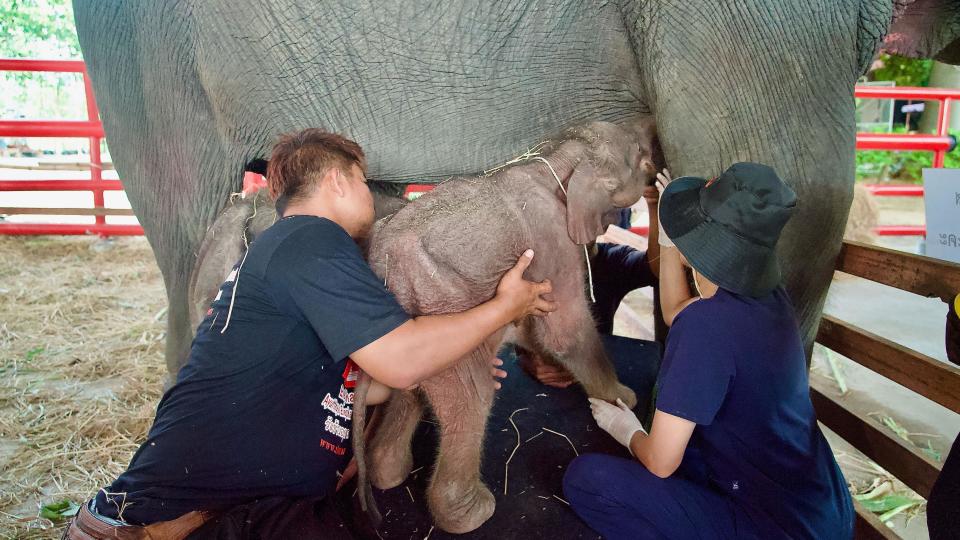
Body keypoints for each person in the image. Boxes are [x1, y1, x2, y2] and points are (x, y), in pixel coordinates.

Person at [64, 129, 556, 539]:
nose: (370, 197)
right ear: (339, 181)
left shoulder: (294, 254)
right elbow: (401, 360)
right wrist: (503, 308)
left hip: (247, 513)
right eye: (365, 183)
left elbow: (378, 382)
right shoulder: (311, 239)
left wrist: (455, 361)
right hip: (160, 526)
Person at [563, 163, 854, 539]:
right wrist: (670, 242)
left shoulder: (705, 327)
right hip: (824, 511)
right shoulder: (768, 295)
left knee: (588, 480)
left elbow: (661, 463)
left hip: (776, 527)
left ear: (698, 246)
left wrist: (629, 432)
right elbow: (675, 312)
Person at [518, 183, 661, 388]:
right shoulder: (531, 266)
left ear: (605, 224)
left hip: (595, 382)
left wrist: (654, 206)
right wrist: (528, 363)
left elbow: (655, 268)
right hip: (535, 389)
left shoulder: (613, 261)